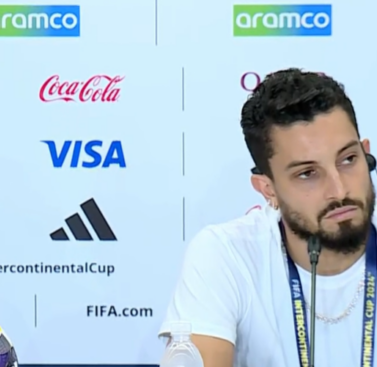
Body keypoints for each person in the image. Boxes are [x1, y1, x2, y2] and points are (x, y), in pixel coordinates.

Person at [159, 68, 376, 367]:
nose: (339, 190)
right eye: (308, 174)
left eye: (348, 159)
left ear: (366, 153)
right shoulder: (227, 254)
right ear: (267, 189)